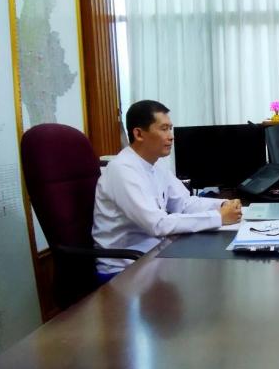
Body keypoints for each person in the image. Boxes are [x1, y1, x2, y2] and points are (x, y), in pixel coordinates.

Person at [93, 100, 243, 277]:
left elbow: (184, 203)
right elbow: (157, 225)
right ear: (139, 134)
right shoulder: (122, 170)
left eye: (170, 128)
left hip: (155, 256)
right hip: (125, 269)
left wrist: (223, 205)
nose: (171, 136)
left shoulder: (155, 164)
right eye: (164, 129)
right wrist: (219, 217)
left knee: (216, 271)